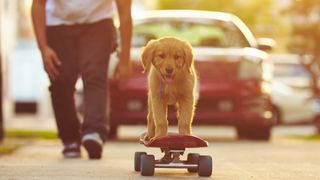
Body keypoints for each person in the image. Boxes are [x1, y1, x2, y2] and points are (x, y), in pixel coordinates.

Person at [31, 0, 132, 159]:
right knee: (60, 79)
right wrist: (43, 48)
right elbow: (38, 4)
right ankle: (70, 138)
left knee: (94, 74)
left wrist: (125, 59)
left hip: (98, 22)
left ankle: (94, 132)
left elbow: (125, 11)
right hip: (58, 24)